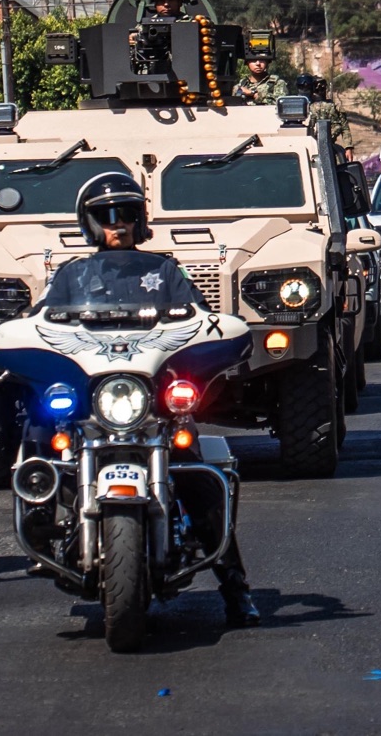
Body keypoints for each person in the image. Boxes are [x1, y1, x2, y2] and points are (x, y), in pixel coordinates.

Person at [70, 172, 259, 628]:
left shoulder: (165, 271)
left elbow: (199, 319)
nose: (118, 225)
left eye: (128, 215)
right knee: (42, 440)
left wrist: (212, 335)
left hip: (152, 401)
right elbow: (41, 325)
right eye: (107, 217)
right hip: (95, 400)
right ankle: (45, 523)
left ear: (141, 221)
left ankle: (235, 588)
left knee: (198, 477)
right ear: (90, 225)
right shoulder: (71, 277)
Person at [293, 73, 343, 144]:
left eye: (308, 87)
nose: (304, 90)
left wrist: (323, 138)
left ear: (313, 88)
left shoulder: (325, 106)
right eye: (301, 87)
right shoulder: (291, 106)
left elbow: (337, 126)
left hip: (321, 144)